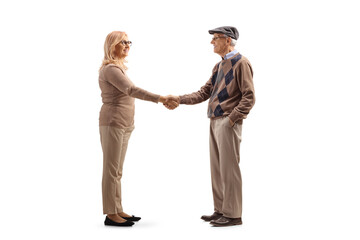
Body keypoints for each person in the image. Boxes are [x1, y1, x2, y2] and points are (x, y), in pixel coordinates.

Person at [170, 26, 255, 227]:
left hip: (227, 121)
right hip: (214, 120)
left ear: (228, 40)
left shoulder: (241, 63)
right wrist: (178, 99)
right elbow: (203, 92)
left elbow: (249, 96)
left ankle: (233, 215)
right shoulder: (218, 67)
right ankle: (221, 210)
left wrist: (232, 118)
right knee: (217, 169)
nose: (212, 42)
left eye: (215, 38)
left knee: (229, 169)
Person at [98, 31, 178, 227]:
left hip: (124, 123)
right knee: (111, 169)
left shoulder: (119, 68)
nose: (127, 45)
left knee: (117, 170)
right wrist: (161, 98)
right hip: (112, 122)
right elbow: (131, 90)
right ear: (112, 45)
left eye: (128, 42)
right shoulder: (110, 69)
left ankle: (117, 208)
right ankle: (110, 214)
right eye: (122, 42)